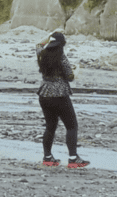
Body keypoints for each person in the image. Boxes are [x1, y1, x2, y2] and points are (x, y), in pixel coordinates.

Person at [36, 31, 89, 169]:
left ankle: (47, 157)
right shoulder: (61, 57)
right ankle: (73, 158)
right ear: (62, 45)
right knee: (71, 126)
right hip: (60, 94)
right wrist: (75, 72)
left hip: (44, 93)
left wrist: (50, 35)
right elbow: (70, 76)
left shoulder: (41, 53)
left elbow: (38, 44)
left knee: (50, 126)